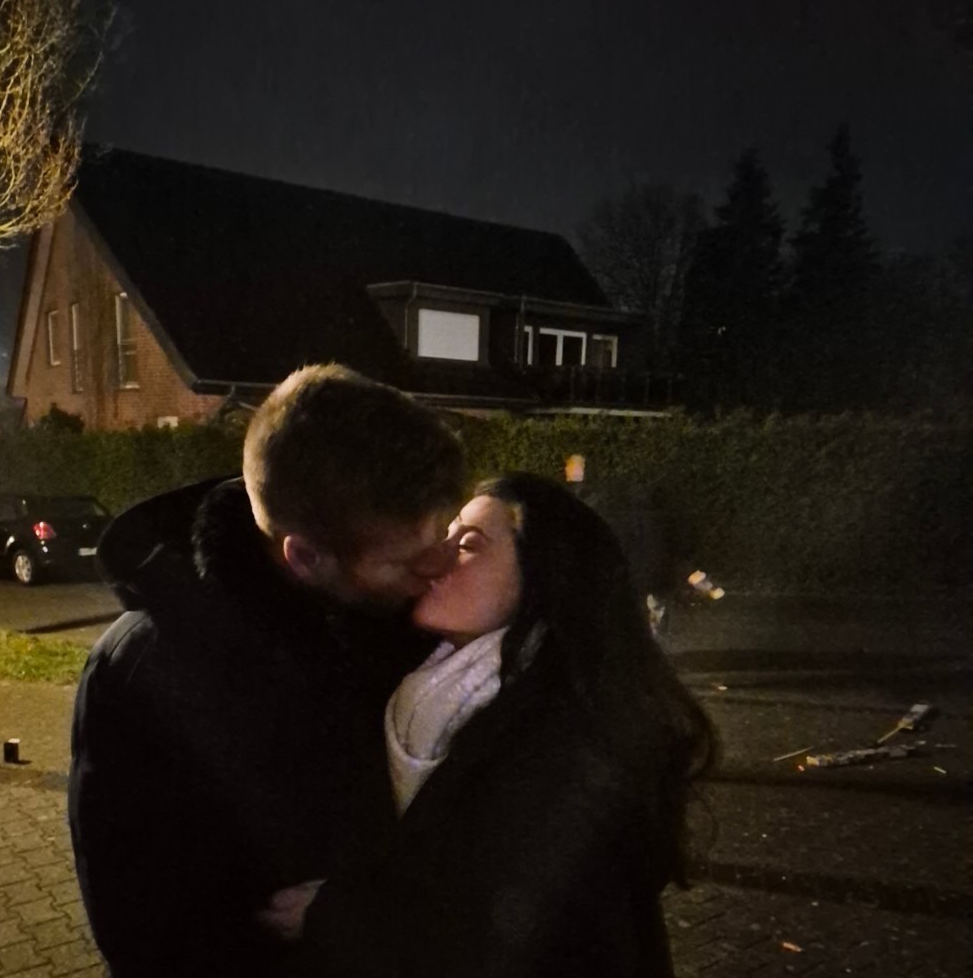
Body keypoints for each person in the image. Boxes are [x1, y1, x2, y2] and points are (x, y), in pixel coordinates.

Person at [67, 364, 466, 977]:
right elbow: (148, 935)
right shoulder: (143, 674)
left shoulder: (413, 626)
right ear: (304, 556)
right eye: (407, 560)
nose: (441, 567)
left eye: (446, 533)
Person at [298, 472, 718, 978]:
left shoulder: (573, 739)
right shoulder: (420, 691)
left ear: (542, 576)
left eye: (468, 545)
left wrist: (333, 915)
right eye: (445, 537)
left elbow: (504, 930)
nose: (435, 558)